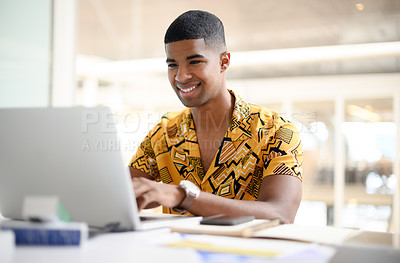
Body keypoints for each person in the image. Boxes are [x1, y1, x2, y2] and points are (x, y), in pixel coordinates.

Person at [129, 10, 303, 224]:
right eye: (172, 64)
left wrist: (184, 196)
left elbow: (281, 213)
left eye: (194, 62)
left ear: (224, 61)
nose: (181, 76)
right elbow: (122, 197)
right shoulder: (162, 133)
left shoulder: (275, 131)